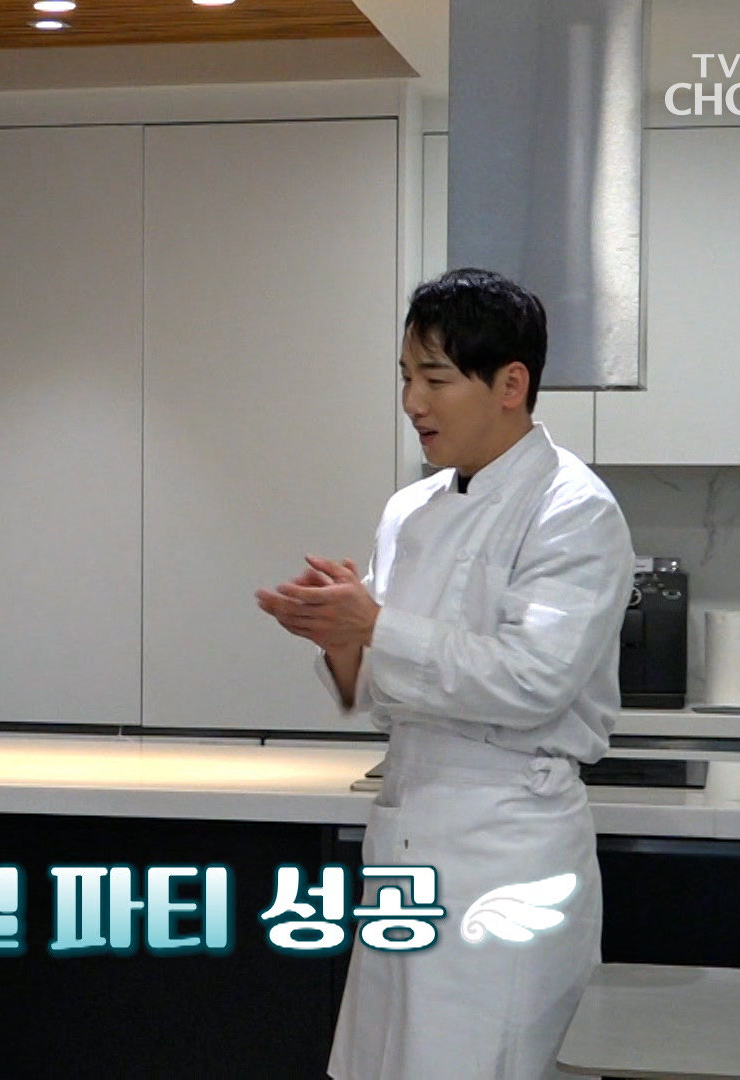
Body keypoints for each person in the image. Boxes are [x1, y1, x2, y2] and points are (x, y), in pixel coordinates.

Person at [255, 268, 635, 1079]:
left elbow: (534, 681)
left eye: (434, 379)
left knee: (485, 1060)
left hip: (509, 842)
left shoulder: (573, 509)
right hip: (406, 828)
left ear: (511, 385)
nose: (412, 402)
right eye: (404, 378)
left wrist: (376, 625)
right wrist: (340, 638)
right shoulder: (410, 510)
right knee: (390, 1059)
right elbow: (377, 695)